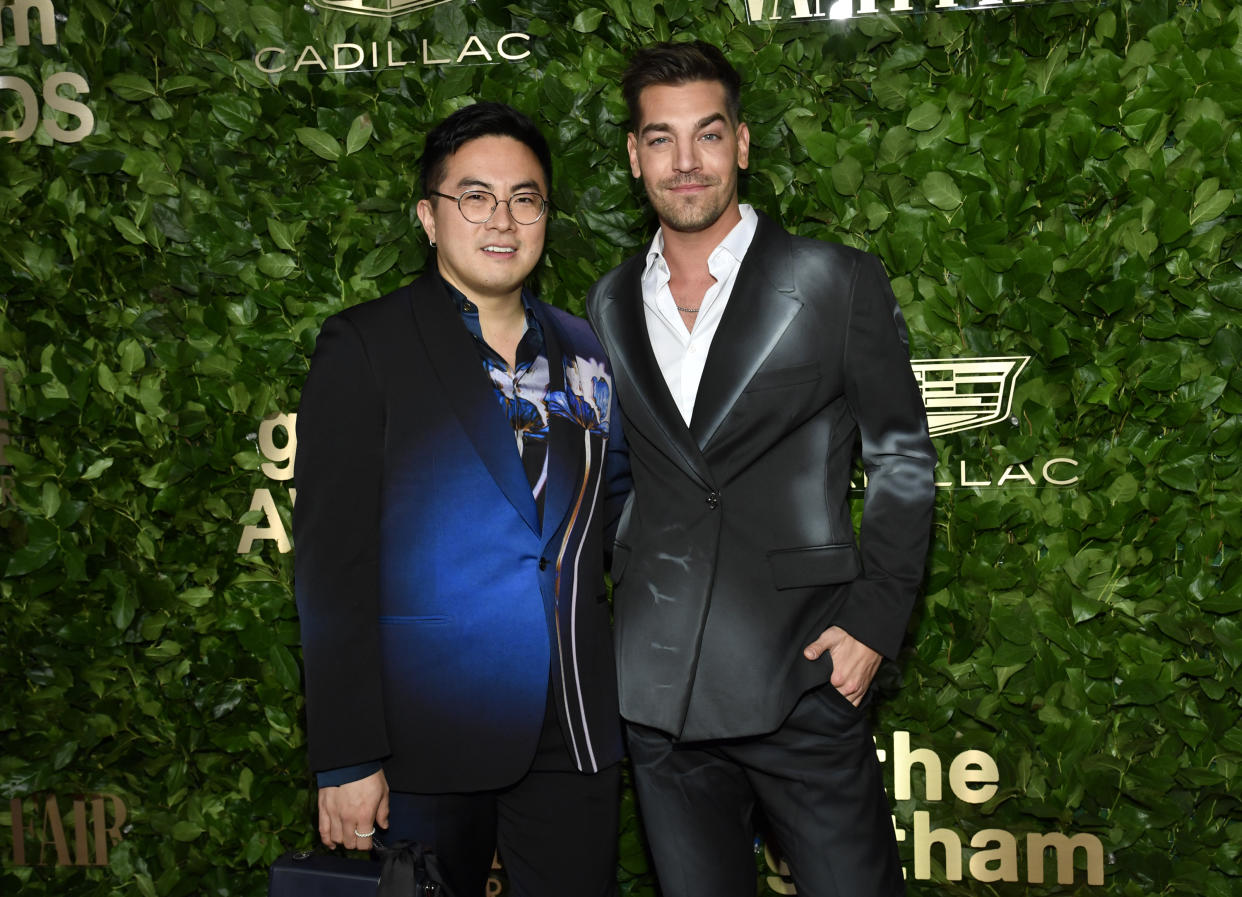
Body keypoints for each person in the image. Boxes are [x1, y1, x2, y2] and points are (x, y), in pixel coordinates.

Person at [585, 42, 936, 897]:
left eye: (707, 135)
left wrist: (874, 625)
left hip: (804, 671)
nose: (686, 162)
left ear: (741, 143)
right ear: (635, 157)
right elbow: (629, 472)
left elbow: (901, 455)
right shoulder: (608, 300)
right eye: (661, 140)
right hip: (659, 691)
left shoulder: (833, 279)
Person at [294, 101, 629, 897]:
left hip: (574, 727)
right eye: (475, 196)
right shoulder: (366, 344)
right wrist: (347, 756)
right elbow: (330, 564)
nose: (502, 219)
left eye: (526, 197)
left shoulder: (586, 348)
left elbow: (614, 522)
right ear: (428, 215)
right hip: (424, 735)